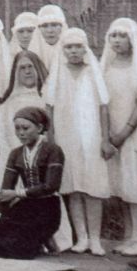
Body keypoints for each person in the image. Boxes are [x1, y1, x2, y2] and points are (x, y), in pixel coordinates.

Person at [44, 28, 112, 256]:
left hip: (91, 137)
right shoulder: (58, 72)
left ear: (85, 49)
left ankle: (95, 238)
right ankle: (81, 237)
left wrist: (105, 138)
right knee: (73, 187)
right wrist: (51, 138)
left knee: (92, 188)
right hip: (66, 137)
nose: (73, 51)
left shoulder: (93, 71)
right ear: (63, 50)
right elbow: (50, 107)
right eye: (69, 47)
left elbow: (104, 106)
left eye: (78, 47)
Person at [0, 50, 61, 243]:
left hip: (40, 162)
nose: (27, 72)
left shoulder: (47, 98)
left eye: (31, 67)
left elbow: (52, 132)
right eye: (22, 68)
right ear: (15, 73)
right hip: (13, 159)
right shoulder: (8, 102)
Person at [0, 106, 66, 259]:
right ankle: (40, 238)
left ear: (40, 127)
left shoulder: (53, 150)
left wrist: (18, 193)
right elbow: (5, 191)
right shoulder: (16, 153)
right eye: (17, 128)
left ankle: (44, 237)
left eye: (25, 128)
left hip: (47, 207)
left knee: (19, 249)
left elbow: (51, 186)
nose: (21, 133)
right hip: (26, 206)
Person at [102, 16, 137, 256]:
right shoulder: (105, 66)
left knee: (135, 185)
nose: (117, 40)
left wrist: (125, 131)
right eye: (113, 35)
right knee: (120, 186)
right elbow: (102, 102)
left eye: (122, 35)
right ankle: (126, 236)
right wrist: (108, 135)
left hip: (134, 134)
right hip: (111, 134)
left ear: (132, 39)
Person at [34, 5, 70, 84]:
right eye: (45, 26)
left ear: (62, 26)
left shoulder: (71, 51)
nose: (50, 30)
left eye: (54, 25)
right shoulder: (34, 52)